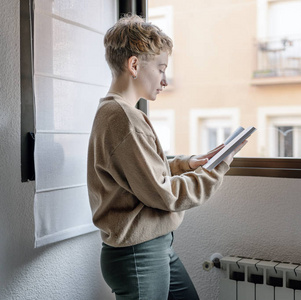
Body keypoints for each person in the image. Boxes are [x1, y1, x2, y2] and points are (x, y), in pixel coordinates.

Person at [87, 14, 247, 300]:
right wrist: (216, 169)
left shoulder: (118, 114)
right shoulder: (123, 119)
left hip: (154, 247)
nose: (164, 80)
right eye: (161, 69)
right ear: (134, 65)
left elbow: (140, 174)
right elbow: (164, 194)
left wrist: (188, 164)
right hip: (139, 255)